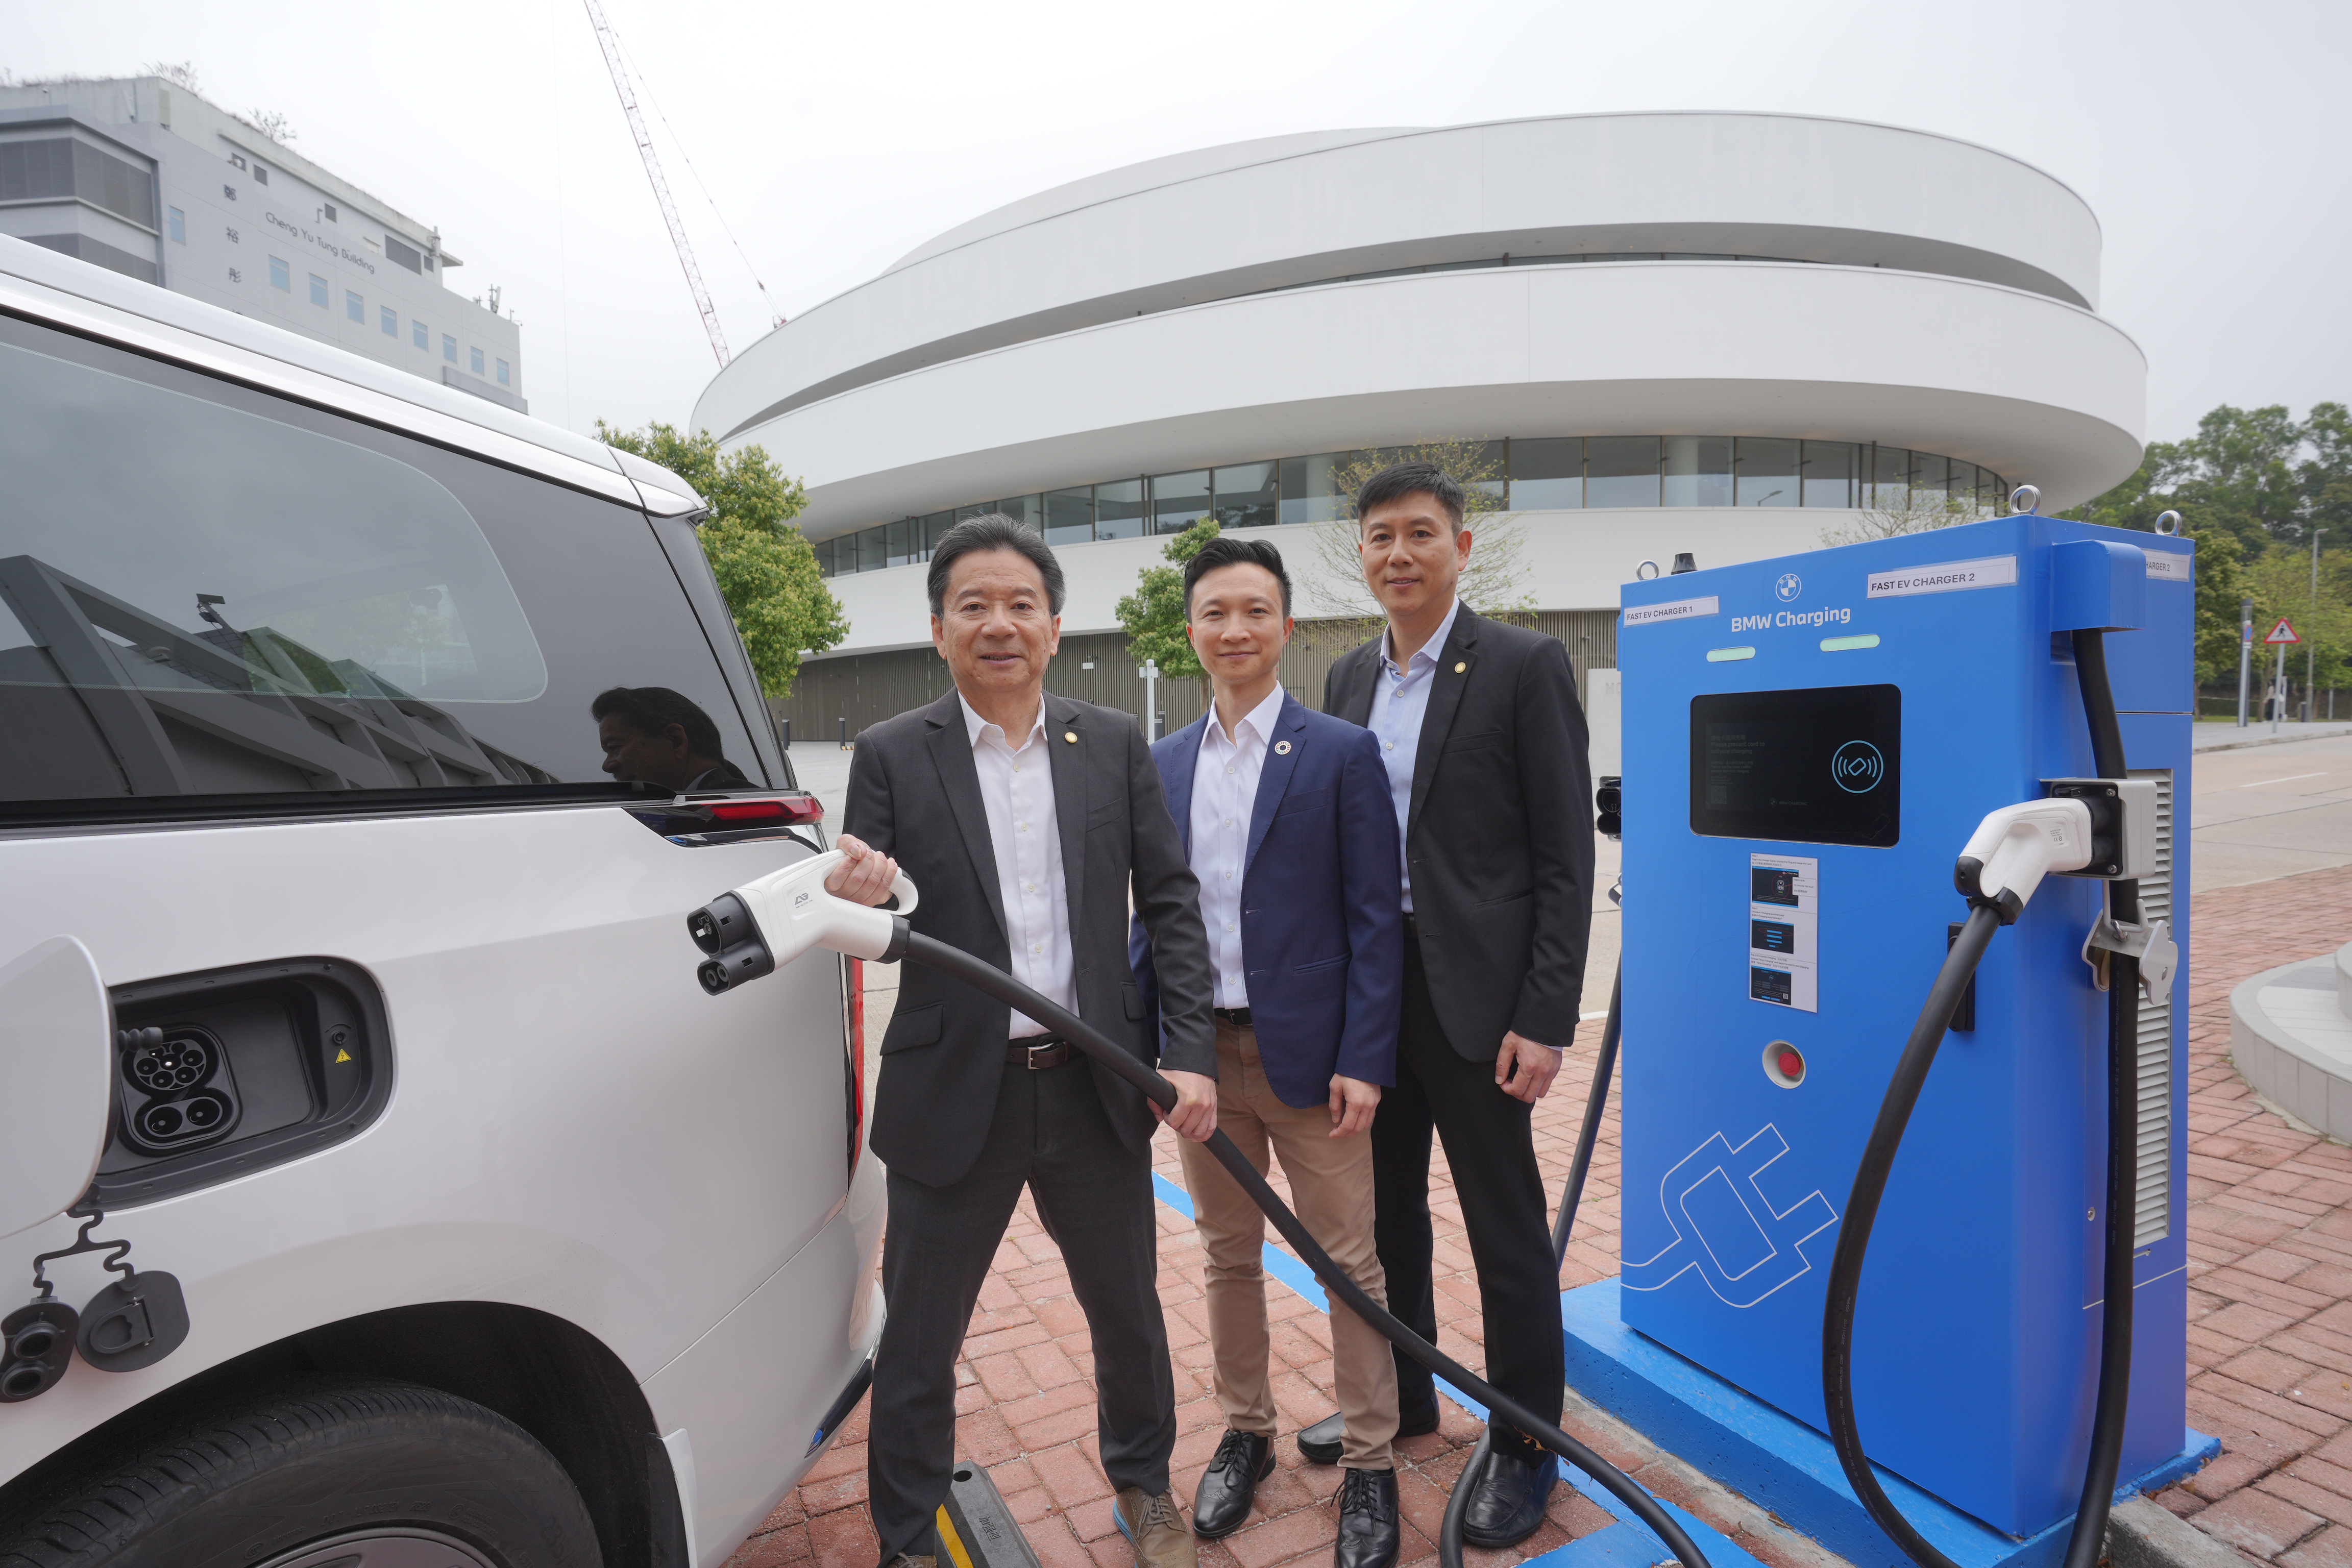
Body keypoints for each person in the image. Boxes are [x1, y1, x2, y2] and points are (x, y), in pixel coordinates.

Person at [821, 514, 1221, 1568]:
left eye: (1020, 605)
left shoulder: (1111, 743)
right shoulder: (893, 752)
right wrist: (856, 893)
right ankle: (907, 1535)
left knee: (1128, 1313)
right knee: (921, 1336)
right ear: (939, 630)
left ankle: (1145, 1487)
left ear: (1053, 627)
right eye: (974, 606)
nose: (998, 624)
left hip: (1095, 1087)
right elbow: (869, 915)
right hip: (957, 1090)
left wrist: (1187, 1053)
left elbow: (1171, 903)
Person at [1301, 462, 1596, 1547]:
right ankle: (1409, 1396)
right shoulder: (1345, 677)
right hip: (1374, 993)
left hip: (1480, 1001)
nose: (1399, 554)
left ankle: (1525, 1439)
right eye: (1380, 536)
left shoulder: (1521, 665)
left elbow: (1564, 854)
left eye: (1420, 533)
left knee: (1502, 1224)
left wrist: (1547, 1014)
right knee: (1384, 1218)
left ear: (1460, 547)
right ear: (1361, 554)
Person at [1130, 536, 1406, 1568]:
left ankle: (1370, 1460)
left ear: (1286, 626)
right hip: (1203, 1062)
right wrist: (1159, 1053)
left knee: (1349, 1264)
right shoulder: (1162, 762)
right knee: (1225, 1255)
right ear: (1191, 630)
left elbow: (1375, 918)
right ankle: (1246, 1432)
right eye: (1214, 612)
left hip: (1315, 1063)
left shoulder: (1339, 751)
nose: (1234, 629)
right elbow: (1154, 921)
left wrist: (1365, 1055)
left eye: (1254, 610)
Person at [591, 685, 755, 791]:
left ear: (676, 741)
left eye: (614, 748)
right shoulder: (746, 803)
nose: (608, 766)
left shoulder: (729, 814)